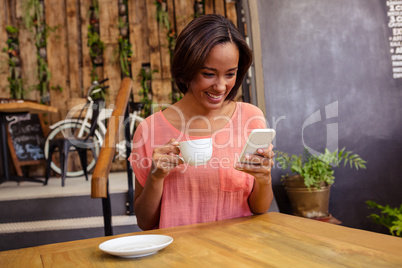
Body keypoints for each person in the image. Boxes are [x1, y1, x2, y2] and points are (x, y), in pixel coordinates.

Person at [129, 14, 274, 230]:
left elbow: (259, 209)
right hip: (179, 257)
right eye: (208, 74)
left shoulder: (250, 118)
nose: (220, 86)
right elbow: (145, 223)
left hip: (238, 254)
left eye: (230, 74)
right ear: (187, 68)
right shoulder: (149, 129)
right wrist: (156, 177)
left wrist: (264, 179)